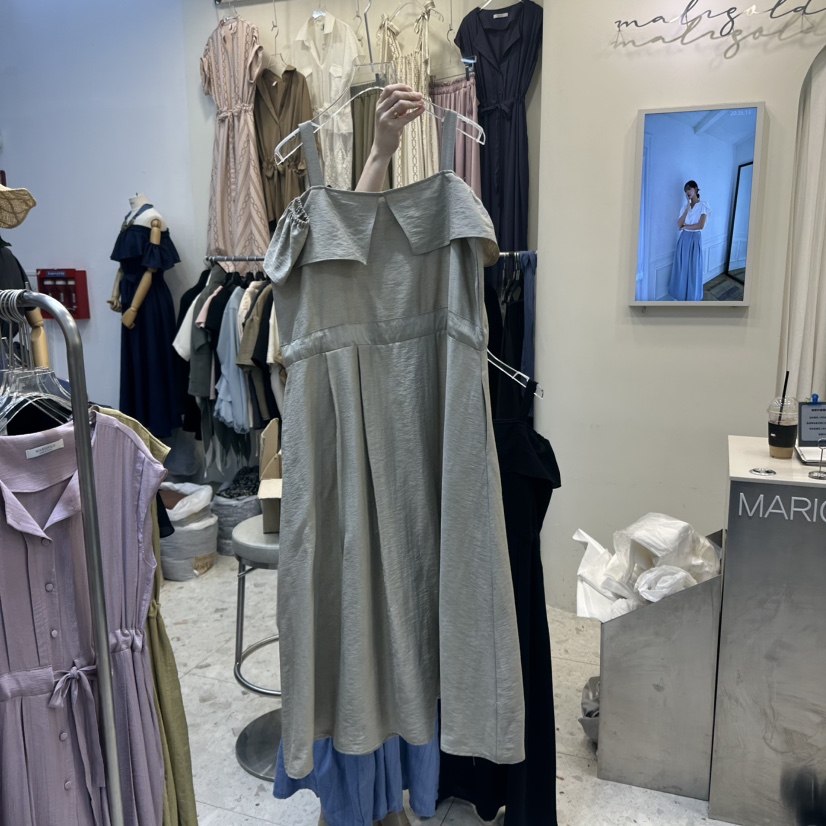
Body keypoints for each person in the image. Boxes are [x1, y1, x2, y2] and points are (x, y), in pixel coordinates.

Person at [273, 83, 437, 826]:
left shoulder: (400, 255)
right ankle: (354, 797)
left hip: (401, 440)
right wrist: (378, 153)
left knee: (398, 610)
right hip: (334, 454)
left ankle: (389, 792)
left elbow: (360, 247)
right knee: (345, 610)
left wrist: (381, 151)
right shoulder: (303, 243)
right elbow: (342, 257)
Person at [668, 179, 711, 301]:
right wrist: (687, 207)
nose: (687, 192)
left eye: (689, 189)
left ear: (696, 189)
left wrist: (685, 226)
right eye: (685, 190)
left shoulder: (703, 205)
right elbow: (678, 225)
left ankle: (692, 296)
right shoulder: (684, 207)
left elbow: (700, 226)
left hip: (695, 238)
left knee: (693, 267)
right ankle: (680, 295)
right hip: (684, 239)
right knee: (682, 266)